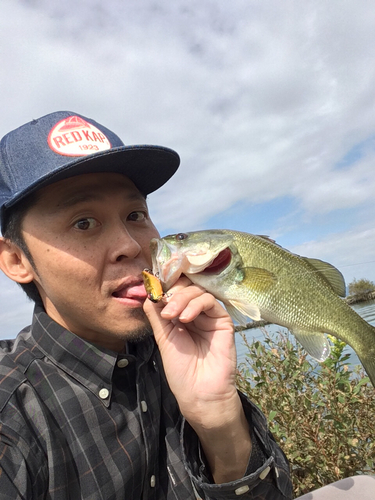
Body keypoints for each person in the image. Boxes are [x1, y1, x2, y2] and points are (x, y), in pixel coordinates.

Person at [0, 111, 292, 499]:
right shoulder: (13, 419)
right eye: (83, 223)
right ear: (17, 261)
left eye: (136, 215)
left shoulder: (179, 348)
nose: (132, 246)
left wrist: (219, 421)